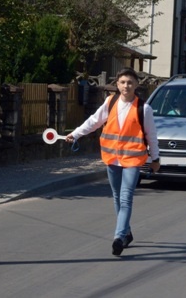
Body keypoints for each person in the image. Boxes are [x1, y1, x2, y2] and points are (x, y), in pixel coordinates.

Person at [65, 67, 159, 257]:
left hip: (132, 159)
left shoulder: (143, 108)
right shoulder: (110, 102)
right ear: (117, 84)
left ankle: (118, 238)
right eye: (123, 82)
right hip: (112, 158)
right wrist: (75, 134)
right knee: (116, 196)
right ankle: (126, 232)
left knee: (125, 197)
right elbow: (93, 121)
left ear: (136, 85)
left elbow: (152, 136)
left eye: (130, 82)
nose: (126, 85)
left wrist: (155, 158)